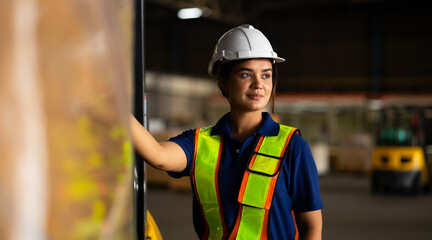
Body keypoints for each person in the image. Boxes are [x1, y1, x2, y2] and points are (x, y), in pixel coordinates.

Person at [130, 24, 323, 240]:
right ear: (224, 81)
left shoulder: (292, 146)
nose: (258, 84)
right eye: (246, 75)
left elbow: (311, 226)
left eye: (266, 76)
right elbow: (158, 156)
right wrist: (108, 100)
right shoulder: (199, 142)